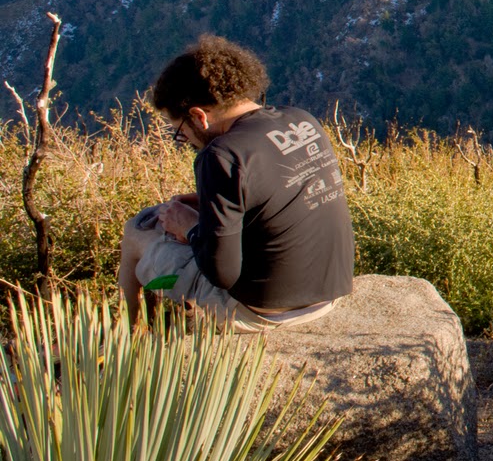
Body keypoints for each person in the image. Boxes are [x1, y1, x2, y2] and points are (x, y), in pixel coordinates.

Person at [119, 35, 353, 331]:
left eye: (179, 131)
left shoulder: (221, 155)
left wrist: (189, 227)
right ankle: (184, 321)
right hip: (327, 294)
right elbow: (277, 196)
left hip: (261, 310)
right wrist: (208, 203)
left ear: (198, 116)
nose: (185, 141)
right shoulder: (301, 121)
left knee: (137, 232)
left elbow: (222, 274)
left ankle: (137, 338)